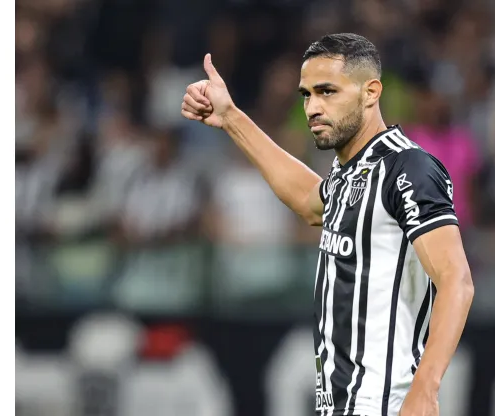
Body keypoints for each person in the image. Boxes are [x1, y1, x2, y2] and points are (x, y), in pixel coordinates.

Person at [181, 33, 474, 416]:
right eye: (306, 95)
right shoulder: (348, 173)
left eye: (327, 92)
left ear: (371, 92)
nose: (313, 108)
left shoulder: (408, 168)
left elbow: (457, 280)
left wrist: (426, 387)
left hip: (386, 404)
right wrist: (232, 119)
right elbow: (308, 200)